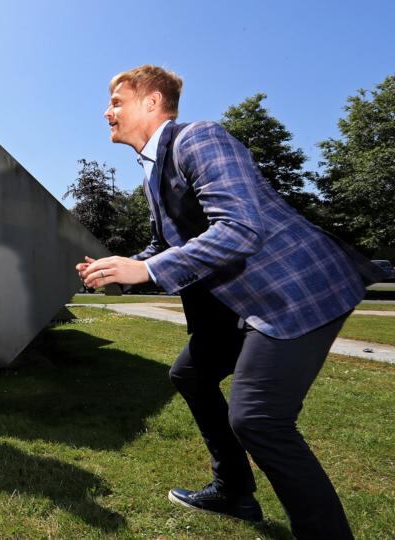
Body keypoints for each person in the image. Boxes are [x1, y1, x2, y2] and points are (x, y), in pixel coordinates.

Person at [77, 65, 382, 538]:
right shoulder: (153, 174)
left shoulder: (198, 139)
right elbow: (165, 246)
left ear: (152, 102)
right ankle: (234, 491)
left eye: (116, 102)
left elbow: (240, 227)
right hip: (244, 303)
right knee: (190, 374)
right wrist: (123, 266)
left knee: (258, 418)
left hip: (298, 290)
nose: (106, 112)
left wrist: (149, 270)